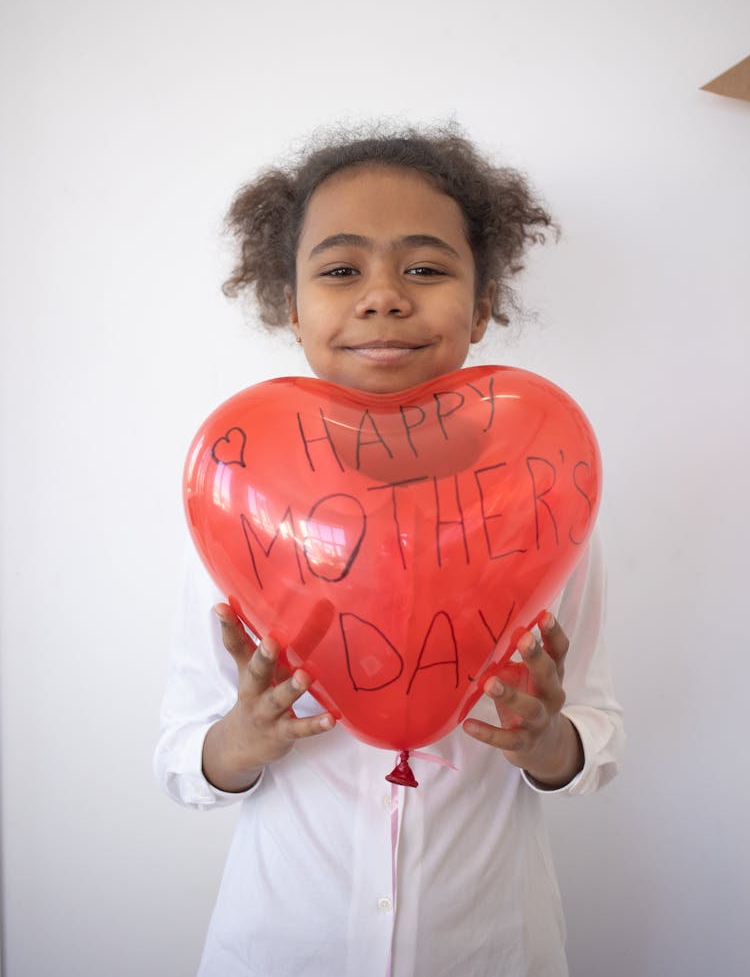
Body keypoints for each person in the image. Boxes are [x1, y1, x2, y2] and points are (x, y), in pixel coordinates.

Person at [155, 125, 624, 977]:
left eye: (426, 268)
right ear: (290, 306)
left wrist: (549, 739)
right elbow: (183, 755)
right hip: (282, 946)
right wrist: (240, 739)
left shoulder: (550, 498)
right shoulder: (235, 505)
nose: (383, 297)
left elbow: (596, 739)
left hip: (490, 949)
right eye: (340, 270)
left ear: (481, 306)